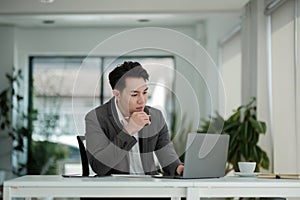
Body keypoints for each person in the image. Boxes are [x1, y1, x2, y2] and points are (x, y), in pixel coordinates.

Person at [85, 61, 184, 177]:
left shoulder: (156, 117)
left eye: (145, 92)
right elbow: (99, 167)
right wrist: (129, 130)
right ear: (117, 94)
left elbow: (167, 156)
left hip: (150, 189)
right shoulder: (96, 118)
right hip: (115, 190)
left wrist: (179, 168)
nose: (142, 100)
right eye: (134, 94)